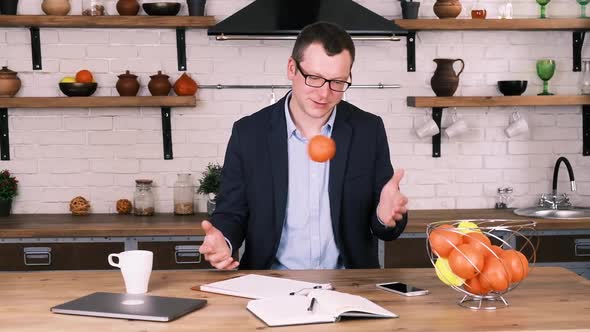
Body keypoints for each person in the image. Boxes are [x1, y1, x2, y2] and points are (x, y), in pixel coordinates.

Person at [199, 21, 408, 270]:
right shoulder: (249, 133)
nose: (324, 94)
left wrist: (385, 217)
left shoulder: (368, 130)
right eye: (314, 78)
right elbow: (232, 212)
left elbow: (386, 221)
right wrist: (223, 241)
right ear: (291, 68)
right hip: (269, 284)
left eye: (338, 82)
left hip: (350, 287)